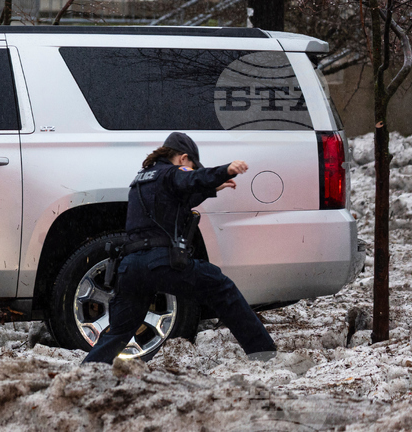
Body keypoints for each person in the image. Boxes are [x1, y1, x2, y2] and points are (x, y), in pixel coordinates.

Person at [83, 132, 277, 364]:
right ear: (183, 158)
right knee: (221, 287)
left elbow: (175, 200)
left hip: (130, 268)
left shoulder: (142, 179)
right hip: (161, 262)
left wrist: (212, 188)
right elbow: (190, 179)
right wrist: (226, 170)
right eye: (191, 166)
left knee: (120, 332)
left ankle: (88, 370)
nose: (190, 170)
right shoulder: (173, 172)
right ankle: (264, 353)